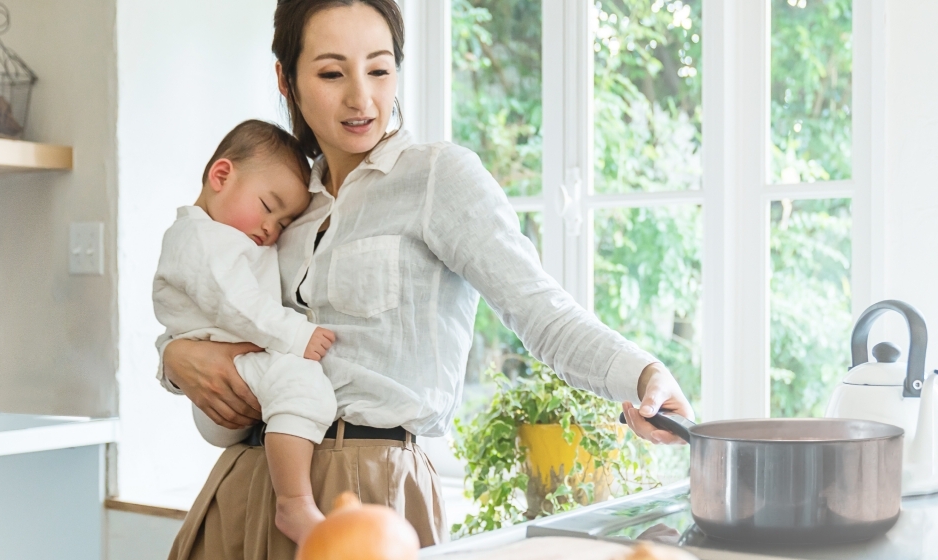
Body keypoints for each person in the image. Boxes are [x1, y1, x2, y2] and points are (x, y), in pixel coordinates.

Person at [162, 1, 696, 558]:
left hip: (367, 490)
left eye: (379, 68)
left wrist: (644, 375)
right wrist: (176, 360)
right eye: (330, 72)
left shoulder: (438, 176)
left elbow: (540, 311)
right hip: (244, 487)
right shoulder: (285, 203)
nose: (360, 98)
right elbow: (203, 295)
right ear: (285, 78)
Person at [152, 120, 339, 543]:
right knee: (302, 380)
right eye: (268, 207)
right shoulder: (202, 238)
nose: (271, 228)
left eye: (284, 221)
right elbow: (237, 304)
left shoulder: (227, 238)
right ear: (221, 176)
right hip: (226, 377)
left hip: (231, 382)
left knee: (297, 383)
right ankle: (294, 504)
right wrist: (294, 336)